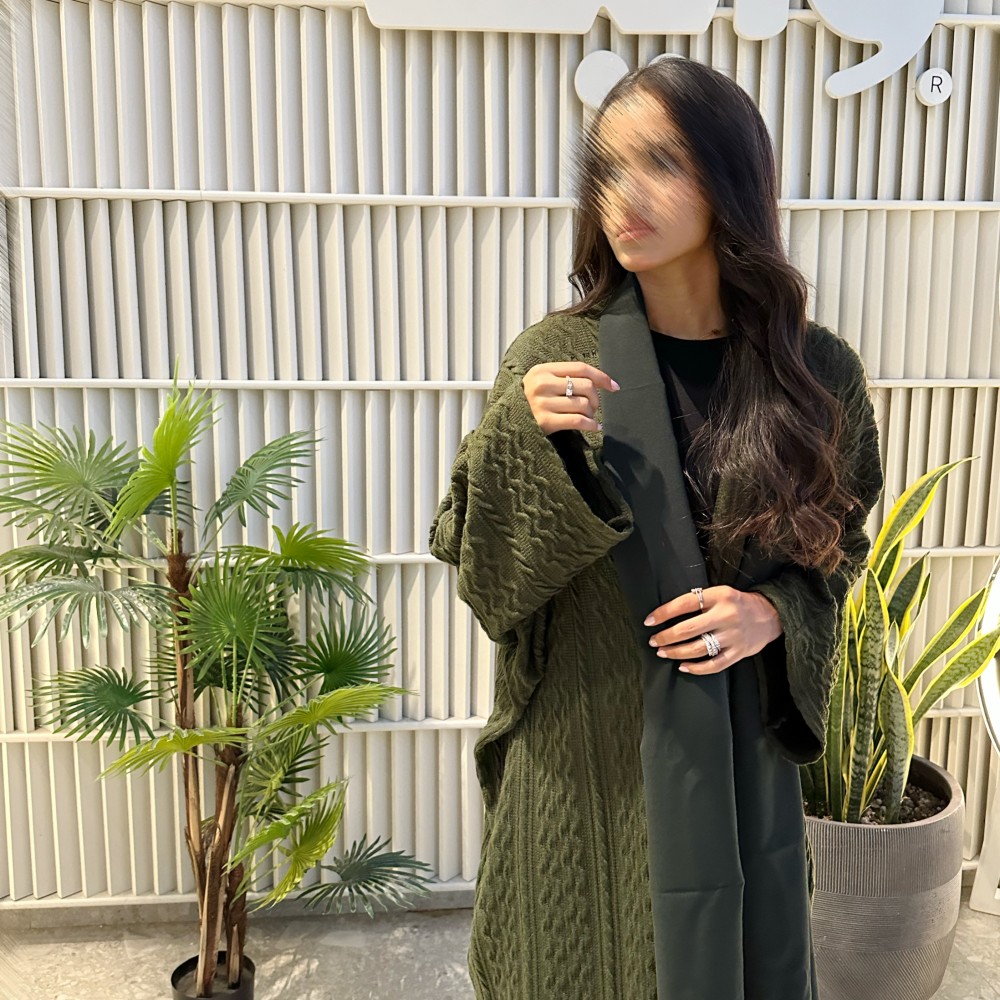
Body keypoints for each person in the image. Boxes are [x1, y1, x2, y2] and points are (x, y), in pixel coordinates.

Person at [428, 56, 884, 1000]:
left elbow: (839, 554)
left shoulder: (816, 375)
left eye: (662, 162)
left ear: (731, 179)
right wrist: (524, 441)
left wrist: (773, 613)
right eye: (606, 167)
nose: (622, 194)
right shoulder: (554, 359)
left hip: (738, 773)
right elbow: (488, 581)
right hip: (582, 763)